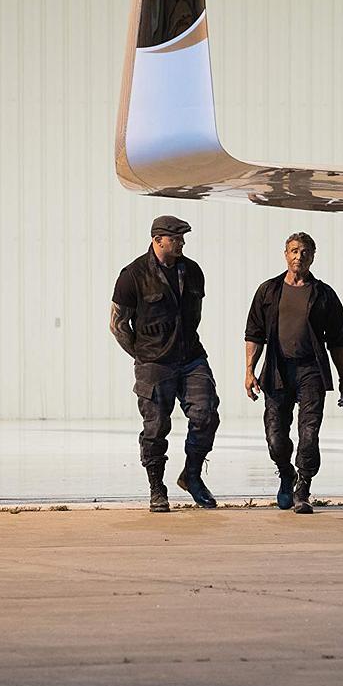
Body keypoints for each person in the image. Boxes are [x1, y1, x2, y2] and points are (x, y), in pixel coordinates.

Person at [110, 215, 220, 512]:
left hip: (191, 358)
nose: (181, 243)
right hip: (154, 364)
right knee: (156, 427)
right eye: (176, 238)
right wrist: (142, 356)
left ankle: (192, 476)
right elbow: (118, 325)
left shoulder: (193, 271)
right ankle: (157, 488)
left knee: (206, 414)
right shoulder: (133, 275)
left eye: (183, 238)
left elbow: (195, 315)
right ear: (157, 240)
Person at [244, 232, 343, 514]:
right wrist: (249, 371)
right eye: (294, 251)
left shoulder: (324, 295)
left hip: (310, 370)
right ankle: (286, 473)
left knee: (309, 434)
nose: (298, 256)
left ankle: (303, 488)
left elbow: (338, 340)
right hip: (277, 370)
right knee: (275, 437)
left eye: (304, 252)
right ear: (285, 254)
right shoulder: (268, 291)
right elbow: (254, 333)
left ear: (312, 257)